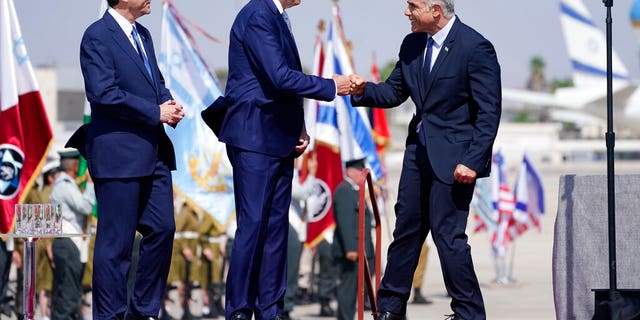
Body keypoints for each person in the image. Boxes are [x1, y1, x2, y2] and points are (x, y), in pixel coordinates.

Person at [350, 0, 501, 319]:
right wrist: (362, 90)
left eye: (413, 6)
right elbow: (393, 93)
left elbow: (489, 113)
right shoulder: (412, 44)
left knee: (449, 239)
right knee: (406, 231)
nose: (407, 12)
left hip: (455, 161)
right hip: (418, 154)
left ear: (436, 10)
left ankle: (468, 313)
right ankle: (390, 308)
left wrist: (473, 161)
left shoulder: (476, 47)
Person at [217, 0, 352, 319]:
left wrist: (298, 126)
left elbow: (285, 80)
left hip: (277, 136)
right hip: (254, 136)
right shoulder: (258, 16)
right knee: (252, 228)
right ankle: (239, 310)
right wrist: (332, 86)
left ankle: (270, 308)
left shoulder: (278, 16)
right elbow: (279, 77)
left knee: (276, 230)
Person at [68, 0, 185, 318]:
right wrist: (154, 111)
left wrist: (168, 104)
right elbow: (103, 93)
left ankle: (143, 311)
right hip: (118, 155)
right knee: (116, 246)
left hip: (154, 153)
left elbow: (154, 83)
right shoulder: (97, 36)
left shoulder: (143, 35)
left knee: (163, 229)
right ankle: (110, 315)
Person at [49, 149, 96, 320]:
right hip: (67, 241)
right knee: (68, 294)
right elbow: (85, 206)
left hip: (68, 242)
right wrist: (90, 184)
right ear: (75, 166)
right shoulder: (64, 185)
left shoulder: (65, 183)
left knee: (72, 291)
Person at [331, 158, 375, 320]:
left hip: (361, 249)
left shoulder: (355, 190)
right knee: (347, 290)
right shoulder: (344, 190)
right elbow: (345, 222)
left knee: (356, 290)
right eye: (359, 171)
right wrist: (350, 248)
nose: (361, 175)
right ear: (350, 171)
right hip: (351, 250)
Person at [23, 160, 62, 320]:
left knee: (49, 283)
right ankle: (45, 315)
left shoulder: (49, 192)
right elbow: (46, 225)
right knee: (45, 284)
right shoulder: (47, 194)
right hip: (48, 245)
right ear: (51, 177)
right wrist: (49, 248)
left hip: (50, 244)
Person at [283, 154, 317, 319]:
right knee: (288, 271)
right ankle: (284, 306)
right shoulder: (287, 174)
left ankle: (287, 305)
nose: (298, 160)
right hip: (289, 226)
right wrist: (312, 174)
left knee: (293, 270)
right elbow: (302, 193)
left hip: (296, 228)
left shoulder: (295, 175)